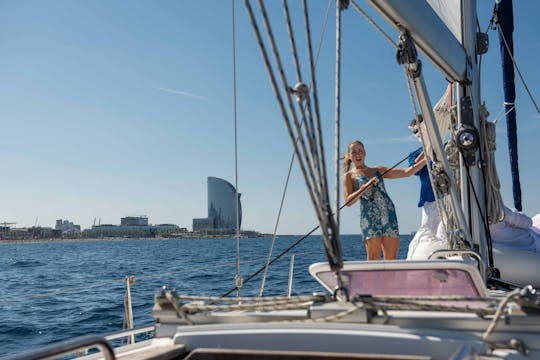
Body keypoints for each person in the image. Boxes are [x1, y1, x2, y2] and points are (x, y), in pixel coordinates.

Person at [343, 140, 427, 260]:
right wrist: (364, 187)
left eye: (360, 151)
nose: (358, 154)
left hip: (388, 215)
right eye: (354, 152)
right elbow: (348, 201)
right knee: (373, 259)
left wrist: (426, 159)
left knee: (391, 259)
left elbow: (406, 172)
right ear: (349, 156)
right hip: (370, 219)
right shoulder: (348, 176)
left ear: (365, 153)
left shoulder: (378, 170)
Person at [408, 118, 441, 235]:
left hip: (449, 199)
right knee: (428, 233)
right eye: (415, 132)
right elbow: (414, 170)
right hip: (429, 200)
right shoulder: (414, 155)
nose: (418, 134)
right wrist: (427, 148)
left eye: (420, 130)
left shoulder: (443, 147)